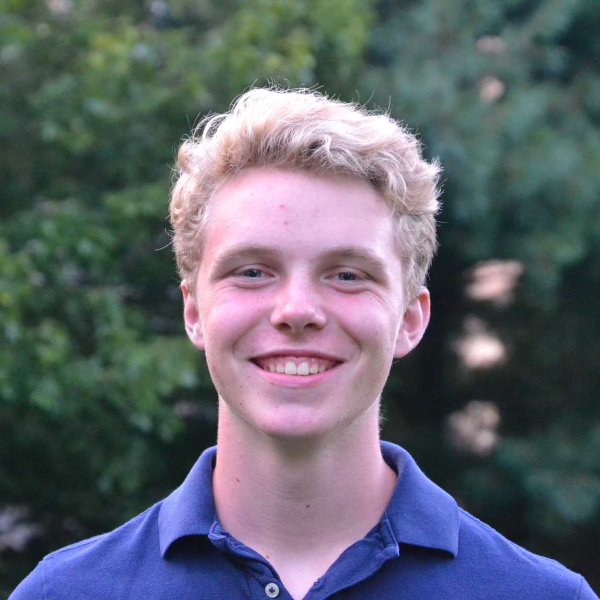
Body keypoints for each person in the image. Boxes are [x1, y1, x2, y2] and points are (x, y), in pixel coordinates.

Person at [10, 88, 598, 600]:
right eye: (252, 272)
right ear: (193, 311)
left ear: (410, 319)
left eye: (347, 275)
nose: (296, 311)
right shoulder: (65, 593)